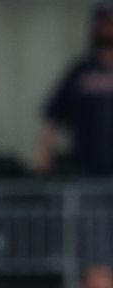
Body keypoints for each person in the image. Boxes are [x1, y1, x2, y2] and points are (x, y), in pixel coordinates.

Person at [34, 2, 113, 176]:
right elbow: (54, 112)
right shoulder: (81, 70)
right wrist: (43, 150)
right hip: (87, 166)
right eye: (104, 24)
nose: (108, 29)